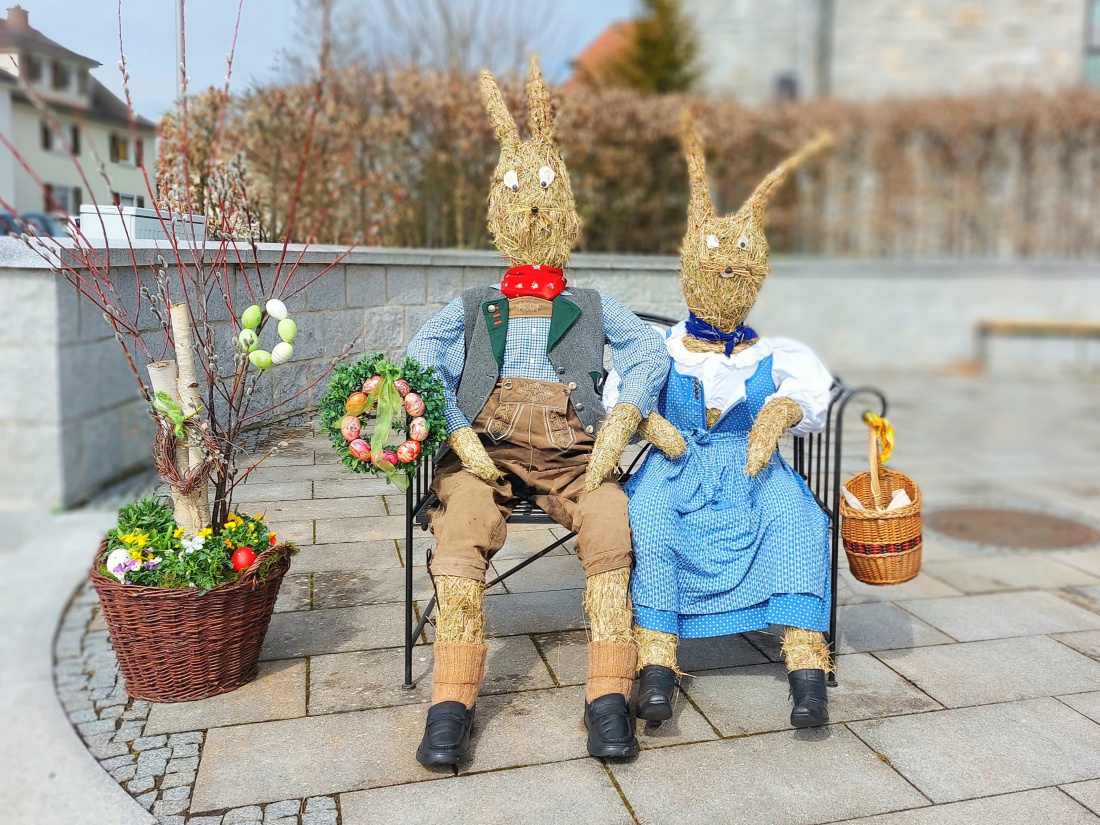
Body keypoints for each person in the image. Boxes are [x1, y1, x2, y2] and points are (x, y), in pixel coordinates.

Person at [406, 54, 683, 767]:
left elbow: (651, 353)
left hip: (573, 448)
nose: (531, 206)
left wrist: (621, 416)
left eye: (544, 193)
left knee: (610, 523)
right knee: (462, 527)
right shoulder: (474, 305)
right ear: (499, 207)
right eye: (518, 194)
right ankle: (450, 705)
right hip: (487, 446)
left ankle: (605, 698)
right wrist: (456, 429)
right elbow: (417, 358)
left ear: (564, 206)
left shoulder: (590, 304)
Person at [625, 113, 836, 728]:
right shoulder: (661, 349)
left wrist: (781, 408)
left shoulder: (775, 354)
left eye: (739, 262)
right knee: (651, 518)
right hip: (676, 462)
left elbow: (815, 397)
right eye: (713, 262)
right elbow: (621, 393)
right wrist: (647, 423)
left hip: (753, 464)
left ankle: (806, 671)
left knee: (796, 514)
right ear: (691, 270)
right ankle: (658, 666)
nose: (726, 271)